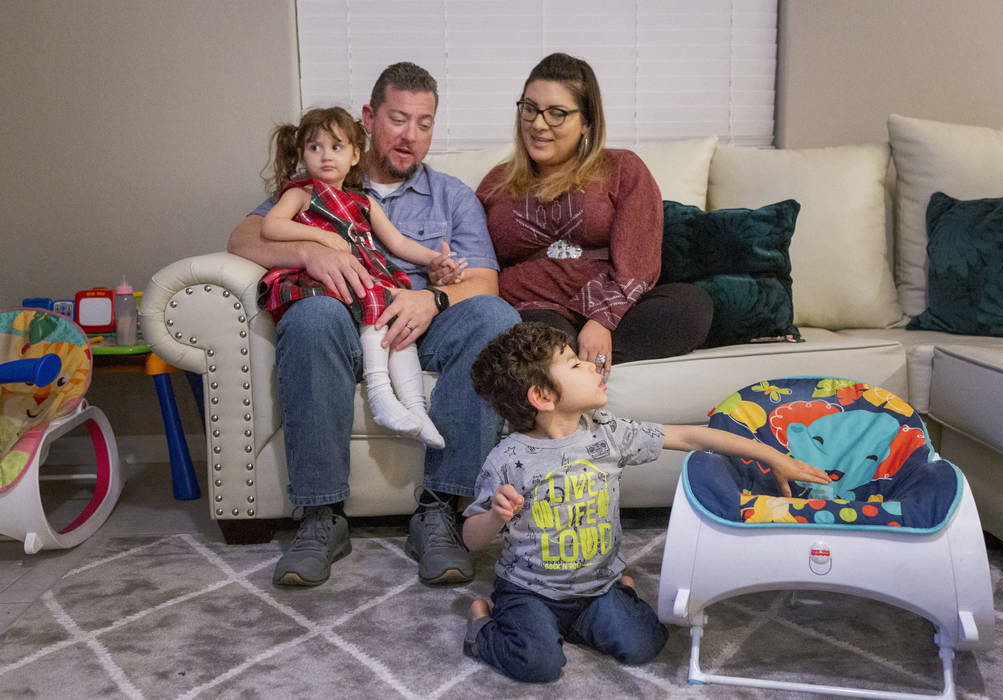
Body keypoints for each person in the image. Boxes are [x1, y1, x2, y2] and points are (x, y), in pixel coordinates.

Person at [227, 63, 519, 588]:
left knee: (496, 318)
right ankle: (321, 517)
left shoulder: (452, 196)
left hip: (427, 326)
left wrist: (431, 297)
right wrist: (307, 254)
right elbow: (244, 239)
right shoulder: (320, 183)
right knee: (310, 314)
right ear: (368, 120)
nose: (411, 136)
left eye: (424, 123)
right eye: (398, 119)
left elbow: (485, 284)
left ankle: (441, 513)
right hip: (343, 318)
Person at [462, 322, 830, 683]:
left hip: (597, 587)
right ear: (542, 397)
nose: (592, 364)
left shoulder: (609, 434)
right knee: (538, 665)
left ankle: (602, 605)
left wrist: (772, 456)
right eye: (575, 364)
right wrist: (496, 515)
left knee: (645, 645)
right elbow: (472, 539)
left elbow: (690, 437)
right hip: (528, 590)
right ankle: (482, 627)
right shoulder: (508, 459)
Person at [477, 52, 713, 380]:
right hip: (533, 310)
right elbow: (474, 258)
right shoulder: (496, 183)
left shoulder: (622, 169)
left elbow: (639, 261)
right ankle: (569, 364)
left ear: (587, 121)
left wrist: (601, 319)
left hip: (616, 310)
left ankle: (569, 367)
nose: (538, 124)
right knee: (542, 343)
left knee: (691, 306)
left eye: (557, 113)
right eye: (529, 109)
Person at [258, 106, 462, 448]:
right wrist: (323, 239)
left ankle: (416, 409)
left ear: (355, 155)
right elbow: (272, 225)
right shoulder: (302, 193)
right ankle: (381, 395)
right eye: (315, 148)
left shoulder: (362, 200)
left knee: (399, 319)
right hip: (328, 280)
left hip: (365, 276)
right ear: (302, 154)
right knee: (375, 303)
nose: (325, 157)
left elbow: (397, 242)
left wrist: (436, 260)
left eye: (336, 147)